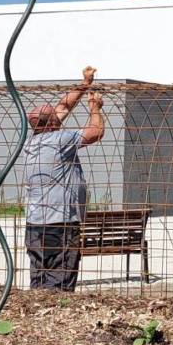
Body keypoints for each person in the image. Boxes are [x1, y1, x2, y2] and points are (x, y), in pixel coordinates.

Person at [22, 66, 104, 290]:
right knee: (61, 280)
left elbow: (63, 106)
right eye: (55, 116)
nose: (60, 114)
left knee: (39, 279)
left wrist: (84, 83)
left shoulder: (32, 141)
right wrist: (95, 108)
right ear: (52, 124)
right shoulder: (60, 140)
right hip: (61, 224)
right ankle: (54, 311)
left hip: (36, 224)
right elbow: (95, 132)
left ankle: (37, 314)